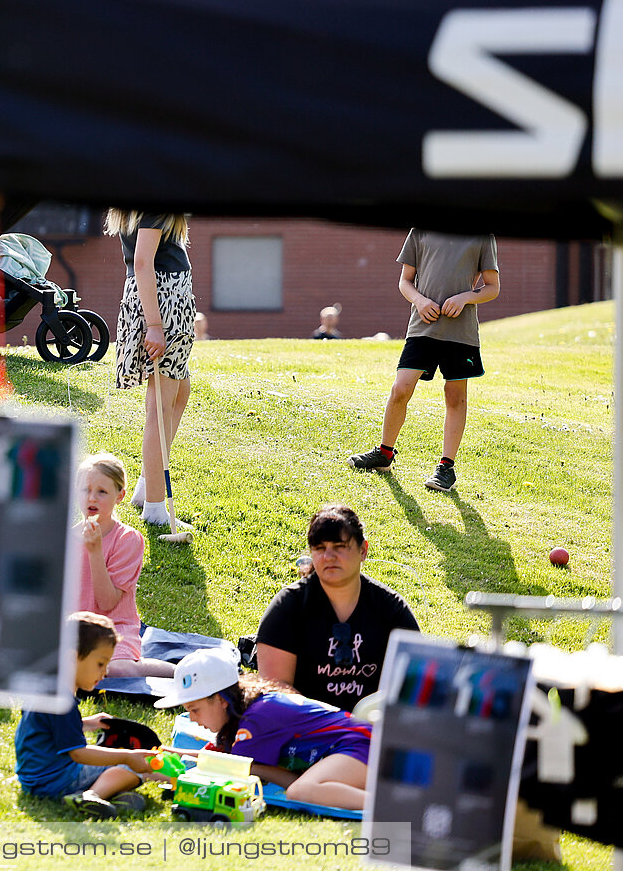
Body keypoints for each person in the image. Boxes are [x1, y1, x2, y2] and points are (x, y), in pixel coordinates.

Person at [348, 230, 499, 491]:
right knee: (401, 389)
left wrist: (465, 298)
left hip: (460, 332)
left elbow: (492, 287)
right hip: (422, 326)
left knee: (455, 396)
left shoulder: (482, 234)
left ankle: (446, 467)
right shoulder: (419, 230)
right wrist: (420, 301)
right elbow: (405, 281)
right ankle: (384, 454)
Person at [155, 647, 372, 811]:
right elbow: (216, 758)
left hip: (364, 746)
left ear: (221, 700)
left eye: (195, 709)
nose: (192, 719)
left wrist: (250, 768)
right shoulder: (246, 715)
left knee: (301, 791)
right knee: (301, 787)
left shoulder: (255, 721)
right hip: (356, 747)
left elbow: (230, 767)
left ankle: (393, 806)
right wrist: (161, 752)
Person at [253, 504, 418, 708]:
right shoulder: (288, 606)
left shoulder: (391, 609)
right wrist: (334, 724)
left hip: (370, 731)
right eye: (320, 548)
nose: (328, 557)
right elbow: (275, 692)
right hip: (305, 730)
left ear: (363, 550)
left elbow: (413, 688)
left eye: (340, 546)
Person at [14, 612, 154, 818]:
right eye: (100, 664)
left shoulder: (45, 687)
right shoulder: (64, 701)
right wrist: (128, 756)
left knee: (112, 758)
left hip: (33, 780)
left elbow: (48, 730)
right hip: (58, 781)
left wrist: (89, 723)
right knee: (132, 767)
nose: (105, 672)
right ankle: (90, 795)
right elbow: (79, 753)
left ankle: (115, 798)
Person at [107, 211, 194, 540]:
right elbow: (143, 261)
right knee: (160, 403)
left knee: (179, 391)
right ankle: (157, 508)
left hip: (159, 294)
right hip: (164, 298)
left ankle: (146, 487)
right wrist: (155, 325)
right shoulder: (156, 196)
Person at [75, 454, 174, 678]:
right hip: (75, 628)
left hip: (114, 627)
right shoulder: (66, 537)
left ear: (120, 496)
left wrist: (95, 551)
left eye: (102, 492)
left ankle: (180, 672)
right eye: (85, 490)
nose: (92, 498)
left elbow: (107, 602)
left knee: (116, 670)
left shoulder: (128, 540)